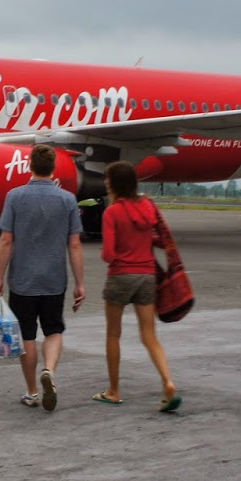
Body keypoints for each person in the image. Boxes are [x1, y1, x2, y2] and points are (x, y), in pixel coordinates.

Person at [0, 144, 86, 411]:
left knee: (26, 335)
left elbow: (6, 241)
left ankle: (32, 391)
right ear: (53, 167)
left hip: (22, 280)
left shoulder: (15, 196)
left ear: (30, 165)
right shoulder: (67, 199)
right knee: (53, 329)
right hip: (54, 280)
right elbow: (75, 244)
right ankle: (50, 370)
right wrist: (80, 283)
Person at [95, 161, 180, 411]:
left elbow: (108, 254)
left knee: (113, 334)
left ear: (115, 183)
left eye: (107, 179)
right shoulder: (148, 206)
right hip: (147, 277)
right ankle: (167, 381)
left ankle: (114, 391)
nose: (105, 182)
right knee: (149, 335)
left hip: (121, 276)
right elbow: (161, 239)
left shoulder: (112, 212)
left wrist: (115, 252)